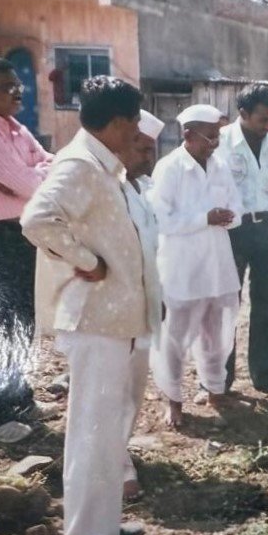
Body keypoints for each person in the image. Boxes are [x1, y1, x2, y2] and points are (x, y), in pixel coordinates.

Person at [20, 75, 147, 535]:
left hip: (115, 317)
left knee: (109, 431)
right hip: (95, 319)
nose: (137, 131)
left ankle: (102, 530)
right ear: (116, 122)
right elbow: (37, 219)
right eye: (133, 121)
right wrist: (86, 260)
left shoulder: (102, 165)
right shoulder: (78, 165)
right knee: (93, 434)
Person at [150, 104, 243, 428]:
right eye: (210, 137)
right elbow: (161, 219)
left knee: (217, 332)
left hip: (217, 263)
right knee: (175, 337)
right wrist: (205, 218)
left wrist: (228, 217)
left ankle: (215, 390)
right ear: (188, 134)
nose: (215, 143)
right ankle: (174, 399)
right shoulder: (169, 168)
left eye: (218, 137)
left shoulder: (220, 166)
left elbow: (237, 207)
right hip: (182, 267)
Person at [0, 55, 57, 444]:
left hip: (18, 232)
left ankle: (19, 398)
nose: (17, 93)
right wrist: (30, 180)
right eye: (7, 87)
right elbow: (31, 185)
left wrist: (30, 178)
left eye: (18, 86)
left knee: (22, 320)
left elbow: (50, 168)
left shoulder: (15, 128)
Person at [218, 85, 268, 392]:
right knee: (227, 304)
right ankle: (218, 380)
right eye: (263, 119)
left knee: (265, 304)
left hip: (266, 227)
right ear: (243, 113)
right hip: (232, 231)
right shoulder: (222, 141)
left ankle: (267, 375)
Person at [116, 109, 165, 501]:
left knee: (134, 387)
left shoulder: (146, 188)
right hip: (113, 307)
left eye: (152, 150)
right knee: (113, 388)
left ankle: (121, 449)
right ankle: (117, 465)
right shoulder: (108, 188)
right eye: (142, 149)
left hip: (144, 302)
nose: (149, 157)